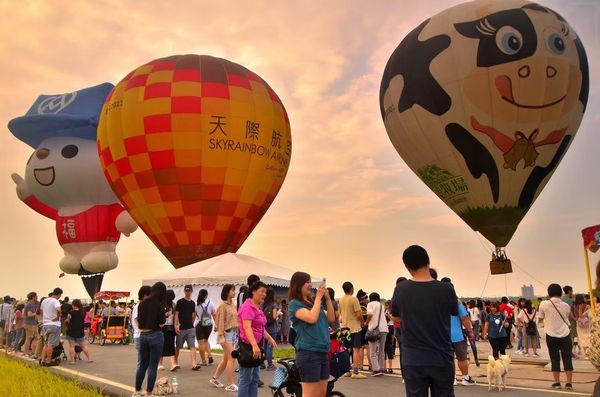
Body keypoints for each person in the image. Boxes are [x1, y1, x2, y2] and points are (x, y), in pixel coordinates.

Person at [390, 245, 458, 397]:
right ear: (428, 261)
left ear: (407, 266)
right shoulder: (446, 289)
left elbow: (395, 316)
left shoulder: (401, 289)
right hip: (442, 357)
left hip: (413, 358)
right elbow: (454, 311)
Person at [288, 271, 335, 397]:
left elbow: (331, 318)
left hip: (322, 351)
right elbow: (311, 318)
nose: (310, 285)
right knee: (310, 394)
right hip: (309, 352)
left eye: (310, 282)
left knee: (321, 394)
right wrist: (319, 298)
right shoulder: (294, 304)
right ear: (298, 285)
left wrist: (328, 299)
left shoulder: (313, 303)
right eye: (307, 282)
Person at [238, 280, 277, 397]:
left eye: (265, 292)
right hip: (247, 347)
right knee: (245, 379)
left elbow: (260, 327)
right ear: (254, 291)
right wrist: (254, 345)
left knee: (255, 378)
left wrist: (269, 338)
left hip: (256, 346)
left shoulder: (257, 307)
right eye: (262, 291)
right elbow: (247, 327)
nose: (264, 294)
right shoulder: (247, 307)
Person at [133, 282, 166, 397]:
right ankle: (149, 393)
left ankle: (137, 391)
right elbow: (162, 323)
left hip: (142, 335)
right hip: (155, 334)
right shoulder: (159, 304)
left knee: (142, 364)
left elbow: (139, 322)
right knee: (152, 366)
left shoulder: (142, 304)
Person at [538, 283, 573, 390]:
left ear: (549, 293)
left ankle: (557, 382)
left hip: (551, 335)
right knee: (567, 358)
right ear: (561, 293)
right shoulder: (566, 305)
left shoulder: (543, 304)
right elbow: (566, 317)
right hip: (565, 334)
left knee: (554, 358)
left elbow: (540, 318)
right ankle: (569, 383)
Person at [209, 284, 239, 392]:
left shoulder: (232, 305)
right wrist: (221, 336)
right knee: (232, 358)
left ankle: (215, 378)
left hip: (232, 334)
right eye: (232, 290)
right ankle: (230, 383)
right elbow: (219, 321)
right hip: (226, 334)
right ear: (227, 292)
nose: (234, 292)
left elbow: (235, 320)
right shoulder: (222, 305)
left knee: (227, 358)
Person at [339, 281, 366, 379]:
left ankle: (346, 371)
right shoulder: (354, 299)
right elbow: (359, 314)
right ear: (351, 289)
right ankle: (355, 372)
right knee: (356, 349)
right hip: (355, 327)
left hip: (345, 328)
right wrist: (363, 324)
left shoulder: (341, 300)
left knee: (347, 349)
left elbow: (340, 314)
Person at [174, 284, 199, 371]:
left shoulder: (193, 303)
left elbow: (193, 314)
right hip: (181, 328)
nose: (188, 292)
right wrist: (176, 325)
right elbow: (176, 314)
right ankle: (175, 361)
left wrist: (192, 322)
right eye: (186, 290)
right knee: (178, 346)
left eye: (189, 290)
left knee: (192, 345)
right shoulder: (180, 302)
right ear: (184, 291)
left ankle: (193, 363)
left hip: (190, 328)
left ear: (191, 291)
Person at [366, 292, 388, 377]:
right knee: (381, 350)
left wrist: (366, 322)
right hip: (384, 329)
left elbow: (370, 314)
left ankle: (376, 370)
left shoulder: (370, 304)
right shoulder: (381, 305)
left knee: (373, 351)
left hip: (374, 329)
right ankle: (381, 368)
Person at [65, 299, 92, 363]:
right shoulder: (83, 312)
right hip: (80, 331)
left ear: (74, 305)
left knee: (72, 346)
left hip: (71, 331)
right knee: (83, 346)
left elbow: (67, 321)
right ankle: (89, 359)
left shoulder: (71, 312)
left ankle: (72, 361)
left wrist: (66, 320)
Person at [40, 288, 62, 366]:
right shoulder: (56, 301)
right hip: (54, 324)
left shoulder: (44, 301)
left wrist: (44, 320)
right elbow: (58, 310)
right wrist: (57, 317)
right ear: (59, 294)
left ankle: (42, 360)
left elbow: (41, 312)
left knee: (46, 344)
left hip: (45, 324)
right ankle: (48, 361)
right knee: (51, 344)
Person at [196, 289, 216, 366]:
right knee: (206, 340)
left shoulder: (197, 304)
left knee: (200, 343)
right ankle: (210, 355)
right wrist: (216, 324)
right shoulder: (210, 303)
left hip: (200, 324)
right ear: (206, 295)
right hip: (209, 324)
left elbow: (195, 315)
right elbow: (214, 314)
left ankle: (203, 361)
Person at [159, 289, 176, 371]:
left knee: (171, 344)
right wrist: (165, 315)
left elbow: (175, 315)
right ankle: (160, 364)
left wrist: (175, 325)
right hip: (163, 326)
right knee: (162, 344)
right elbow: (160, 315)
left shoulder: (173, 304)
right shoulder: (162, 304)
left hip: (171, 326)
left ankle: (173, 364)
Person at [262, 288, 278, 371]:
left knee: (264, 346)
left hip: (265, 328)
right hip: (272, 328)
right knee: (270, 346)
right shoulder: (274, 304)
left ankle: (262, 363)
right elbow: (274, 317)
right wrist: (278, 313)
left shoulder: (263, 304)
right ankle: (270, 365)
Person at [23, 292, 39, 357]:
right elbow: (29, 314)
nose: (37, 297)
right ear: (33, 297)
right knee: (29, 338)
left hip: (33, 323)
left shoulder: (31, 303)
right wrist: (36, 313)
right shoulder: (30, 304)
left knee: (36, 338)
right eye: (36, 296)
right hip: (30, 323)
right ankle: (26, 352)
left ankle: (33, 352)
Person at [384, 301, 396, 374]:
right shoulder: (385, 310)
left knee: (390, 345)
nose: (387, 306)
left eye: (388, 305)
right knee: (385, 348)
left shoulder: (392, 311)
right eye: (386, 305)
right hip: (386, 327)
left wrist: (388, 316)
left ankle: (390, 368)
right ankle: (385, 367)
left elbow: (393, 319)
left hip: (391, 326)